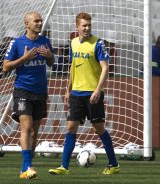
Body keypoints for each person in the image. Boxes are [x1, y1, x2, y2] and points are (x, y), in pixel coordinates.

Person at [49, 12, 120, 175]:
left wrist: (98, 89)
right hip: (76, 93)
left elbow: (105, 68)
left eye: (89, 25)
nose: (87, 28)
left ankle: (114, 164)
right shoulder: (73, 43)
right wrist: (68, 89)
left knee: (98, 128)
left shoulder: (98, 43)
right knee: (71, 127)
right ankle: (64, 167)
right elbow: (73, 67)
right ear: (77, 27)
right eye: (84, 25)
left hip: (92, 93)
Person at [3, 12, 54, 179]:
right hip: (23, 90)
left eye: (40, 21)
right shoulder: (17, 43)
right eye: (36, 21)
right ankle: (27, 166)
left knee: (34, 132)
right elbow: (5, 67)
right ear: (27, 24)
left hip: (40, 91)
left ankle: (27, 167)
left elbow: (51, 63)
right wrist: (24, 58)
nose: (40, 23)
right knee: (26, 127)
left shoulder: (45, 41)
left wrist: (50, 57)